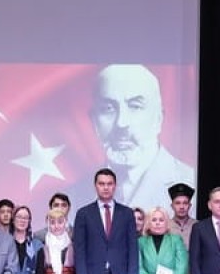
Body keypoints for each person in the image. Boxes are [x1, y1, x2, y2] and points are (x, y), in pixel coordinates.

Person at [72, 64, 195, 214]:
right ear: (93, 121)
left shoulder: (192, 185)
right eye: (108, 108)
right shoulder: (74, 196)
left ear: (158, 119)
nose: (121, 123)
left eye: (135, 106)